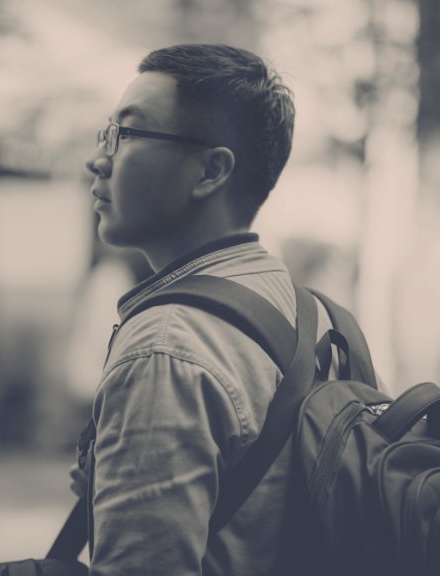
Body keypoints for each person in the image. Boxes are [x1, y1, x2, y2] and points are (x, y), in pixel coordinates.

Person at [76, 43, 338, 576]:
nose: (98, 158)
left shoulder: (166, 347)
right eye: (108, 132)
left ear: (210, 172)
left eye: (127, 134)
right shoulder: (313, 315)